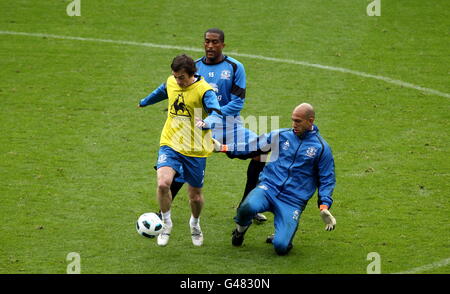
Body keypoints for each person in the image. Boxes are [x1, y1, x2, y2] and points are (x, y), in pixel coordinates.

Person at [169, 28, 267, 223]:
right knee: (181, 166)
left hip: (230, 125)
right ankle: (163, 212)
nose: (210, 46)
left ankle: (246, 208)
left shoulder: (235, 67)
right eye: (207, 41)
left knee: (262, 150)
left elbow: (238, 102)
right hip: (199, 125)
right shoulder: (193, 68)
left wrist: (215, 115)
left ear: (223, 44)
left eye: (215, 42)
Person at [214, 103, 336, 255]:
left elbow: (327, 179)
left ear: (310, 121)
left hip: (293, 200)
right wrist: (224, 148)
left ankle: (283, 237)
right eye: (293, 120)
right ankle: (239, 232)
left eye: (298, 121)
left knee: (281, 247)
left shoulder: (321, 148)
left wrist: (324, 206)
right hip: (268, 188)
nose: (294, 125)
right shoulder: (281, 135)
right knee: (247, 207)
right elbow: (252, 146)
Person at [138, 54, 222, 247]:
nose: (178, 81)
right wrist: (145, 101)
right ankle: (166, 223)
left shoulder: (204, 90)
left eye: (182, 77)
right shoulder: (172, 82)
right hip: (171, 142)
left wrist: (207, 122)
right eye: (175, 77)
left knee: (195, 196)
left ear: (192, 74)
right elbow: (162, 91)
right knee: (163, 183)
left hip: (195, 149)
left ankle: (195, 223)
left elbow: (216, 112)